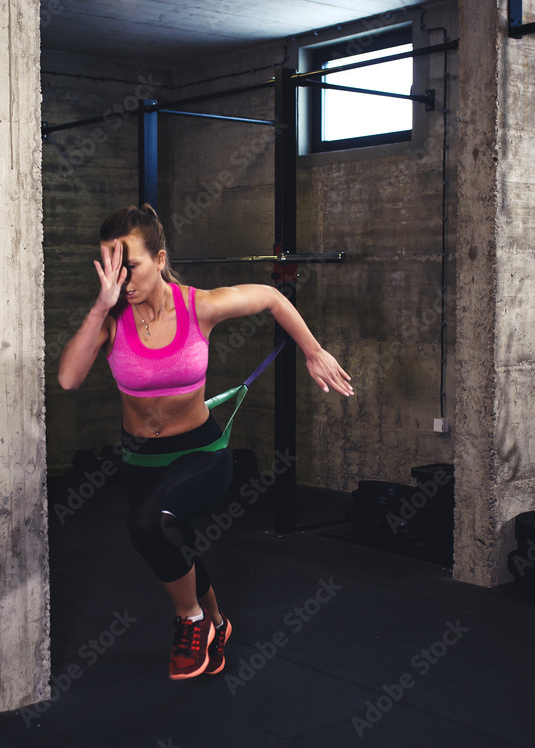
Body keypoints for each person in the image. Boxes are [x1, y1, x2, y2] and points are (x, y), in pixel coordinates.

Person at [58, 204, 353, 680]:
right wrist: (98, 306)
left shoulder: (200, 306)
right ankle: (217, 623)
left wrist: (313, 350)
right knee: (174, 542)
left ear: (159, 259)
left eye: (129, 265)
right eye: (110, 267)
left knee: (147, 524)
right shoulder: (110, 320)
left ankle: (190, 619)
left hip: (201, 453)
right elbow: (69, 379)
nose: (121, 280)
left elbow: (271, 298)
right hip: (141, 461)